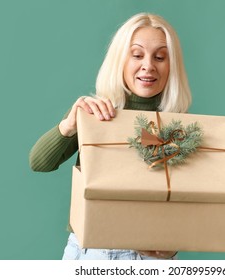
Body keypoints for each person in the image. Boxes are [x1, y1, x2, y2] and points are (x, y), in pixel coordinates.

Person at [29, 12, 192, 260]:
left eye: (160, 57)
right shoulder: (94, 113)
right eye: (137, 55)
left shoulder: (181, 129)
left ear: (172, 66)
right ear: (120, 61)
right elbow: (39, 163)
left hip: (151, 259)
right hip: (89, 251)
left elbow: (190, 201)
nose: (148, 65)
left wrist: (174, 243)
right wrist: (70, 124)